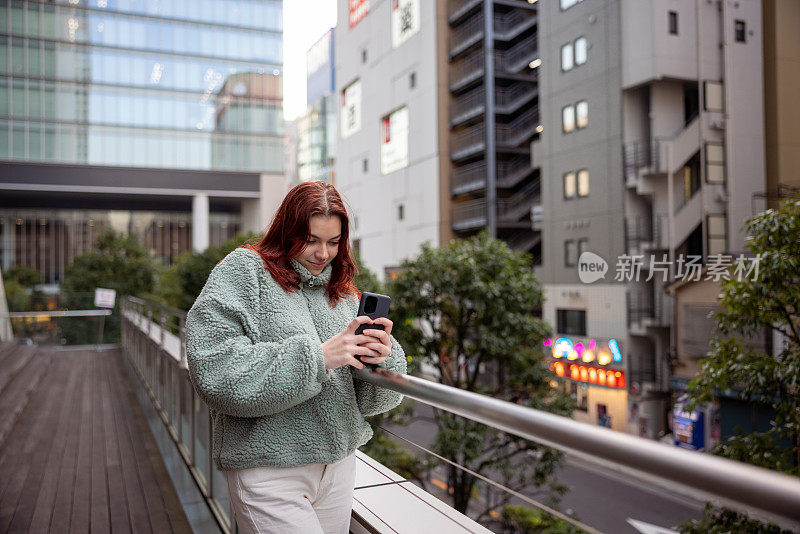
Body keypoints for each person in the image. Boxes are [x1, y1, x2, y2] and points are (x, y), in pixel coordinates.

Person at [185, 181, 407, 534]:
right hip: (268, 469)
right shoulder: (245, 270)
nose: (323, 254)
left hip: (339, 466)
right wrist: (318, 358)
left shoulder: (342, 292)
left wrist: (382, 360)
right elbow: (215, 370)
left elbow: (372, 402)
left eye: (334, 242)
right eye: (311, 240)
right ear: (286, 231)